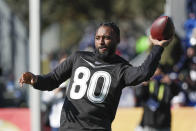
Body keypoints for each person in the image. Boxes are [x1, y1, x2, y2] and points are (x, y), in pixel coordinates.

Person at [19, 22, 172, 131]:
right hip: (69, 128)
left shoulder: (121, 68)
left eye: (106, 38)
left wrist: (158, 47)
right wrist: (36, 80)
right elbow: (52, 80)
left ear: (117, 40)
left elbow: (143, 73)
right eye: (98, 38)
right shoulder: (78, 58)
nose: (101, 42)